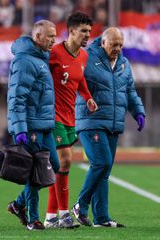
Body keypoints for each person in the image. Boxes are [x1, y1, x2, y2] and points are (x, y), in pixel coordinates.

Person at [71, 27, 146, 227]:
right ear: (103, 42)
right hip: (91, 120)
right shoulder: (86, 57)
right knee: (102, 163)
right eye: (114, 44)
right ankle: (80, 205)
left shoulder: (124, 64)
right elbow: (74, 82)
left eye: (121, 45)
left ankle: (101, 217)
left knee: (104, 170)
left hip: (112, 123)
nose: (118, 49)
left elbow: (129, 90)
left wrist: (138, 111)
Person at [44, 12, 97, 229]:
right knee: (64, 161)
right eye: (84, 31)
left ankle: (50, 217)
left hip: (70, 117)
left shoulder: (83, 56)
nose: (87, 35)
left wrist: (88, 97)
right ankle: (65, 214)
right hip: (53, 115)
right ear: (71, 31)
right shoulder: (54, 52)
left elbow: (80, 78)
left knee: (60, 166)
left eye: (89, 32)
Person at [6, 20, 60, 231]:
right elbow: (17, 97)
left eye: (55, 36)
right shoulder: (25, 61)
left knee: (53, 166)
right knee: (34, 171)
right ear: (37, 37)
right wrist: (20, 128)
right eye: (49, 36)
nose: (53, 40)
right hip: (31, 127)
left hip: (44, 125)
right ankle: (33, 218)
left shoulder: (39, 59)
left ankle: (19, 204)